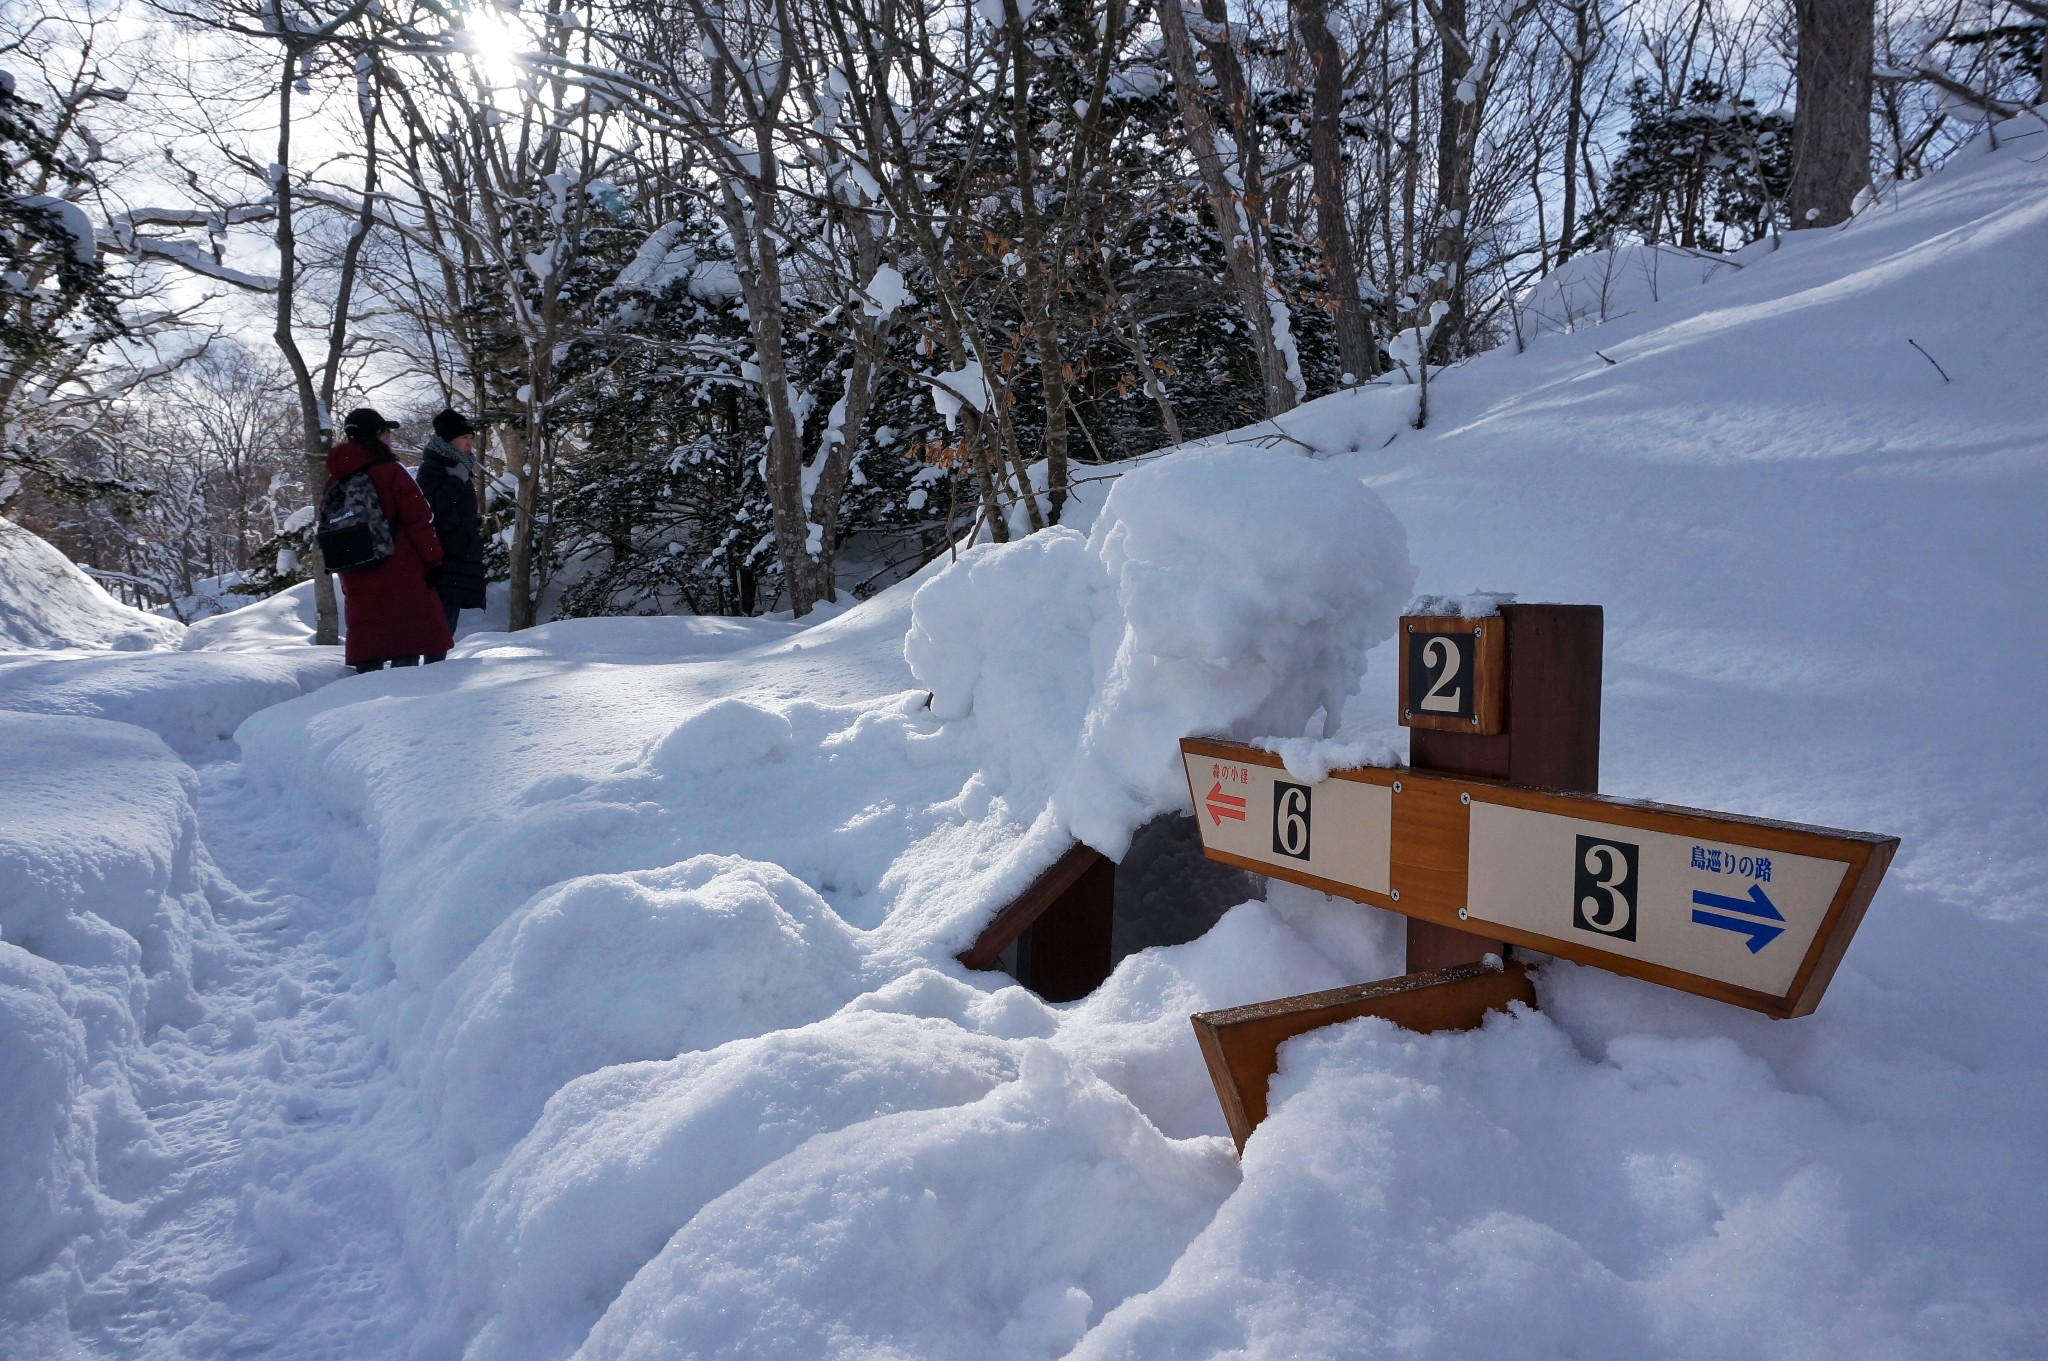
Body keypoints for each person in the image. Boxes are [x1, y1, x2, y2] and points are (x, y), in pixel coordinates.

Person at [325, 408, 454, 673]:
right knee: (405, 643)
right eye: (386, 431)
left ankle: (367, 704)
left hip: (356, 572)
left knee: (369, 641)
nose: (389, 437)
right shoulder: (390, 471)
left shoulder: (334, 481)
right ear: (377, 434)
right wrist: (433, 560)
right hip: (401, 569)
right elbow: (419, 520)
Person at [415, 408, 489, 638]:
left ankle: (436, 668)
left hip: (461, 554)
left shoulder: (461, 466)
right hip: (444, 556)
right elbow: (428, 508)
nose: (469, 444)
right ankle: (430, 671)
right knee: (441, 625)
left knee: (449, 623)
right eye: (464, 438)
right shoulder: (434, 467)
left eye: (471, 438)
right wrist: (456, 482)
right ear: (448, 439)